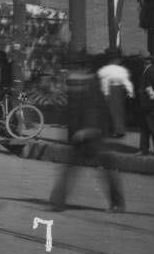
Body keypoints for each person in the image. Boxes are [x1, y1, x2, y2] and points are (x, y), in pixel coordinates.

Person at [50, 52, 126, 213]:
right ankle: (58, 201)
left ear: (81, 68)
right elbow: (73, 111)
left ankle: (58, 201)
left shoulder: (87, 83)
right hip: (86, 134)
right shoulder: (80, 82)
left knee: (97, 168)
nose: (69, 71)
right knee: (96, 168)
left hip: (91, 135)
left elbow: (91, 108)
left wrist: (85, 130)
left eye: (72, 67)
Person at [96, 51, 133, 138]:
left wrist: (105, 93)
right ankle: (118, 130)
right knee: (118, 111)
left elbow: (104, 82)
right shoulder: (121, 70)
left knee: (112, 111)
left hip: (112, 90)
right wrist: (130, 92)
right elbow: (126, 82)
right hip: (117, 90)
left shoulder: (107, 69)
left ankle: (113, 131)